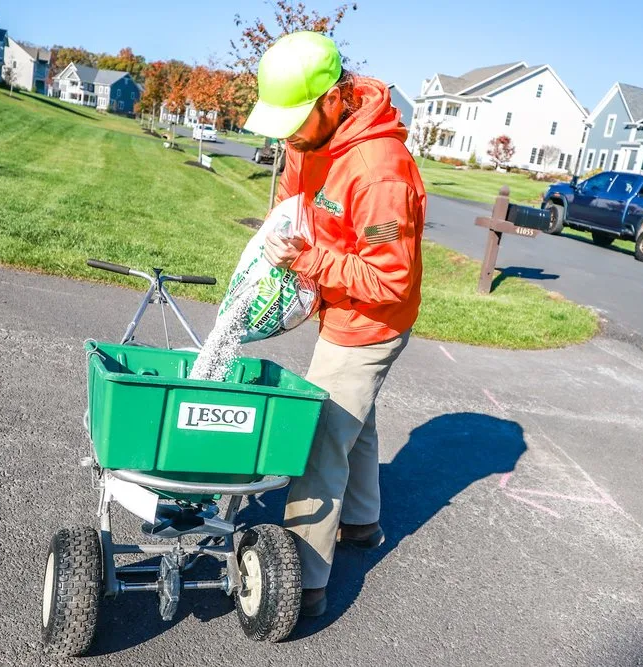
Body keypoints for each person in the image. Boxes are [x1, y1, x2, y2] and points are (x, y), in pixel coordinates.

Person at [242, 31, 426, 618]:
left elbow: (387, 279)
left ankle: (304, 580)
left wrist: (308, 261)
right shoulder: (311, 136)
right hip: (338, 301)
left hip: (372, 319)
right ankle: (362, 522)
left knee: (322, 434)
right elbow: (297, 200)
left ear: (333, 98)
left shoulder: (381, 175)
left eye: (294, 120)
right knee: (354, 415)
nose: (286, 134)